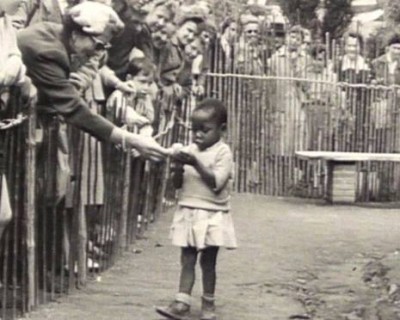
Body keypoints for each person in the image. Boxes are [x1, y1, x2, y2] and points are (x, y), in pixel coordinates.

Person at [17, 1, 168, 160]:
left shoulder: (57, 35)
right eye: (98, 46)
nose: (98, 53)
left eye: (105, 47)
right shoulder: (47, 52)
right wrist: (132, 139)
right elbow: (73, 109)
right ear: (76, 35)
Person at [156, 98, 237, 320]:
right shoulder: (190, 150)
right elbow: (177, 186)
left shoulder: (223, 153)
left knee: (208, 262)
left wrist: (195, 163)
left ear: (222, 129)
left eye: (205, 130)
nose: (198, 135)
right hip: (189, 210)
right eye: (194, 130)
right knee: (187, 258)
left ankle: (208, 304)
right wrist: (177, 167)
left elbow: (216, 183)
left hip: (212, 213)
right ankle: (182, 302)